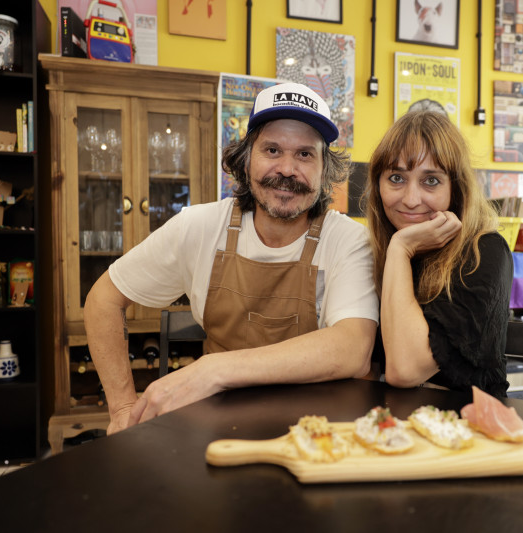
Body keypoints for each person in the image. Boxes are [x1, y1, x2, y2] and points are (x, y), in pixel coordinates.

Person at [84, 83, 379, 434]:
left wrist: (213, 370)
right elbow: (103, 299)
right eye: (272, 149)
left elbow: (352, 348)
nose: (287, 169)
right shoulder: (200, 226)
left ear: (324, 169)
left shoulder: (349, 240)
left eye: (305, 154)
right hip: (216, 428)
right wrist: (121, 410)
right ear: (246, 157)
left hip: (318, 432)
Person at [363, 111, 513, 397]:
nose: (410, 199)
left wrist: (400, 249)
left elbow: (404, 370)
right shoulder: (373, 250)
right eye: (396, 177)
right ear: (378, 185)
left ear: (455, 190)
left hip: (466, 428)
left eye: (430, 181)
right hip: (393, 424)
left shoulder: (486, 252)